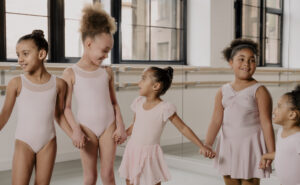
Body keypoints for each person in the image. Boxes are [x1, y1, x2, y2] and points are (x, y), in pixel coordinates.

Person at [62, 3, 127, 185]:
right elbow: (66, 108)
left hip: (109, 126)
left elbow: (114, 103)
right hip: (86, 128)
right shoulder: (71, 72)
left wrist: (120, 126)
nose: (107, 55)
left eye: (109, 51)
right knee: (90, 177)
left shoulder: (106, 72)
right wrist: (75, 130)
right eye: (104, 50)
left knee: (108, 175)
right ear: (89, 44)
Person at [119, 66, 215, 185]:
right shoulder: (138, 102)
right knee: (130, 180)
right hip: (133, 149)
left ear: (156, 86)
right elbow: (135, 125)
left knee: (152, 181)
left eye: (143, 79)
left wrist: (201, 146)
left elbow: (183, 128)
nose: (139, 82)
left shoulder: (164, 108)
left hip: (150, 153)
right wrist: (124, 133)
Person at [0, 30, 73, 185]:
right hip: (23, 142)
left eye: (25, 54)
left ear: (41, 54)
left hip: (48, 142)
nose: (20, 59)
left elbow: (59, 115)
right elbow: (4, 115)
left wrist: (74, 135)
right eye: (18, 55)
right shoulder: (16, 83)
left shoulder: (59, 84)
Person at [204, 38, 275, 185]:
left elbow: (266, 123)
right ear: (231, 62)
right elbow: (216, 120)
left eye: (251, 60)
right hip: (228, 146)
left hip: (250, 147)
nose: (246, 64)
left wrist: (271, 152)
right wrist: (208, 144)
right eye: (241, 59)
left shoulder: (260, 91)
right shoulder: (222, 91)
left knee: (249, 182)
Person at [260, 85, 300, 185]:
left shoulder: (298, 138)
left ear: (292, 115)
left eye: (279, 106)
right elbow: (284, 153)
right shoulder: (281, 131)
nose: (274, 111)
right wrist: (266, 156)